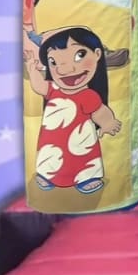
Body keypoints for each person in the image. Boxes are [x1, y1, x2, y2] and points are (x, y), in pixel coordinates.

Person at [24, 26, 122, 195]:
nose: (65, 70)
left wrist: (108, 123)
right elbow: (40, 86)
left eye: (79, 55)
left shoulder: (87, 95)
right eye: (53, 62)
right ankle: (47, 175)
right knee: (49, 156)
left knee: (83, 156)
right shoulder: (53, 88)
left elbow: (99, 112)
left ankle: (87, 178)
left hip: (80, 139)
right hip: (52, 140)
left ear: (97, 54)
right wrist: (33, 71)